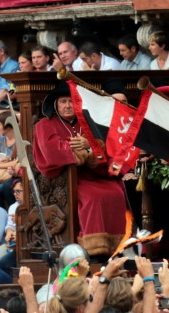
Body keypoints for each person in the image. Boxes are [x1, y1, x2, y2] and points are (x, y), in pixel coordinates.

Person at [33, 83, 128, 256]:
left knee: (116, 192)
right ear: (56, 105)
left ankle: (117, 248)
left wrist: (89, 146)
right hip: (68, 179)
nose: (68, 105)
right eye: (63, 102)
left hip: (95, 174)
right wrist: (86, 150)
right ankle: (94, 250)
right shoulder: (44, 125)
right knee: (93, 197)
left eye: (71, 101)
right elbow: (53, 153)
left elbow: (106, 149)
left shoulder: (88, 123)